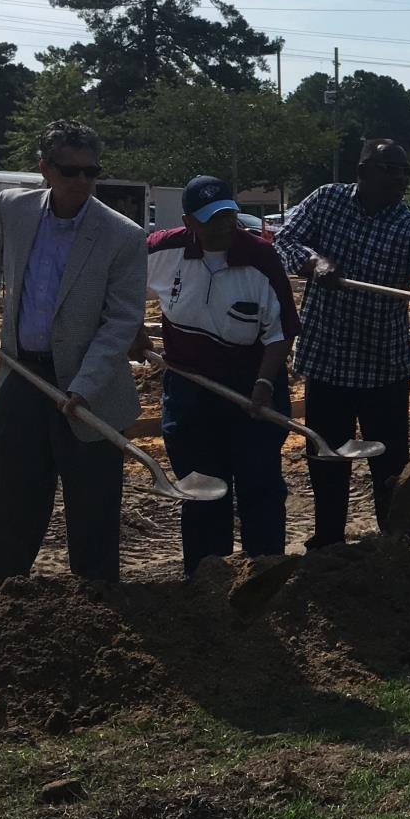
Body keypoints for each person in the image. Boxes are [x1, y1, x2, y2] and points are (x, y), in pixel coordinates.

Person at [0, 118, 146, 586]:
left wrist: (83, 389)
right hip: (22, 376)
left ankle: (97, 606)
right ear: (44, 168)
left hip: (92, 388)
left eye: (91, 172)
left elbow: (121, 322)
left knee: (93, 506)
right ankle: (4, 601)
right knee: (11, 498)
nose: (82, 181)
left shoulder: (121, 235)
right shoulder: (14, 209)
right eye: (70, 171)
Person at [273, 139, 410, 548]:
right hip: (328, 358)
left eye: (405, 173)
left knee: (390, 460)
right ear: (363, 172)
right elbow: (284, 241)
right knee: (327, 454)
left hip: (383, 364)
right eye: (391, 171)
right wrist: (313, 262)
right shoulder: (326, 201)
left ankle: (394, 541)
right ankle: (328, 541)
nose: (400, 181)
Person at [142, 175, 301, 576]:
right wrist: (132, 332)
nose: (224, 227)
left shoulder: (261, 259)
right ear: (189, 222)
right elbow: (118, 286)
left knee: (259, 486)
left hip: (252, 386)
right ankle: (205, 579)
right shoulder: (163, 251)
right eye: (212, 220)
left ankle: (265, 574)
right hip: (189, 388)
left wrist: (264, 385)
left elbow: (280, 333)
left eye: (229, 216)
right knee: (201, 488)